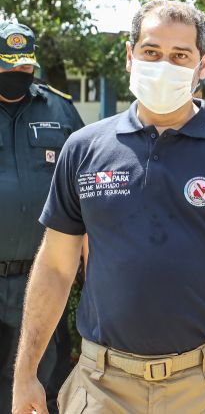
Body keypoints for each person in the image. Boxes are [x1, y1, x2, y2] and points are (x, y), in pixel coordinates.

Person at [12, 0, 205, 414]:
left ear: (202, 65)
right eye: (152, 52)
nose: (163, 65)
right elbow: (55, 267)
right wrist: (26, 373)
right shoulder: (84, 150)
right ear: (130, 55)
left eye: (180, 56)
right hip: (103, 384)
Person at [0, 21, 84, 414]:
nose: (17, 75)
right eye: (8, 66)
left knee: (42, 383)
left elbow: (88, 181)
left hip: (41, 278)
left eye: (24, 67)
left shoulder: (60, 109)